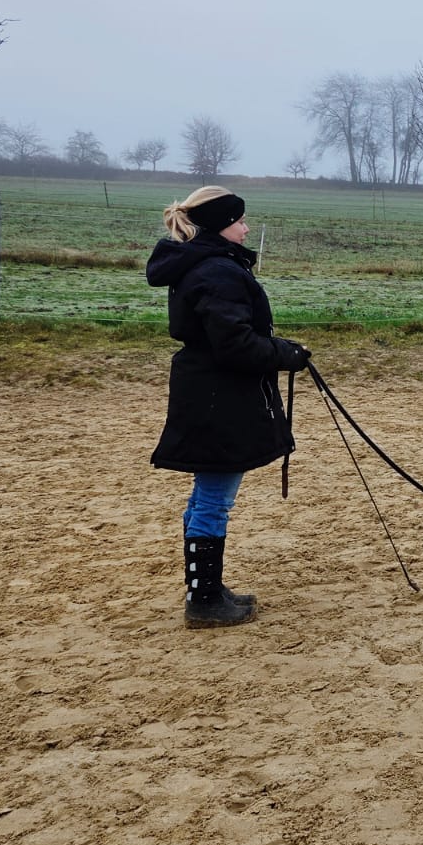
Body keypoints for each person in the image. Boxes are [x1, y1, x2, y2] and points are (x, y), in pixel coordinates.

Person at [146, 186, 311, 629]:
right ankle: (202, 599)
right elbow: (234, 344)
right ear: (221, 225)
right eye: (240, 221)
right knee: (215, 497)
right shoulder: (216, 271)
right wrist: (283, 353)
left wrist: (278, 349)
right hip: (219, 398)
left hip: (211, 392)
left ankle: (208, 588)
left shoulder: (205, 264)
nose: (246, 227)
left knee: (208, 493)